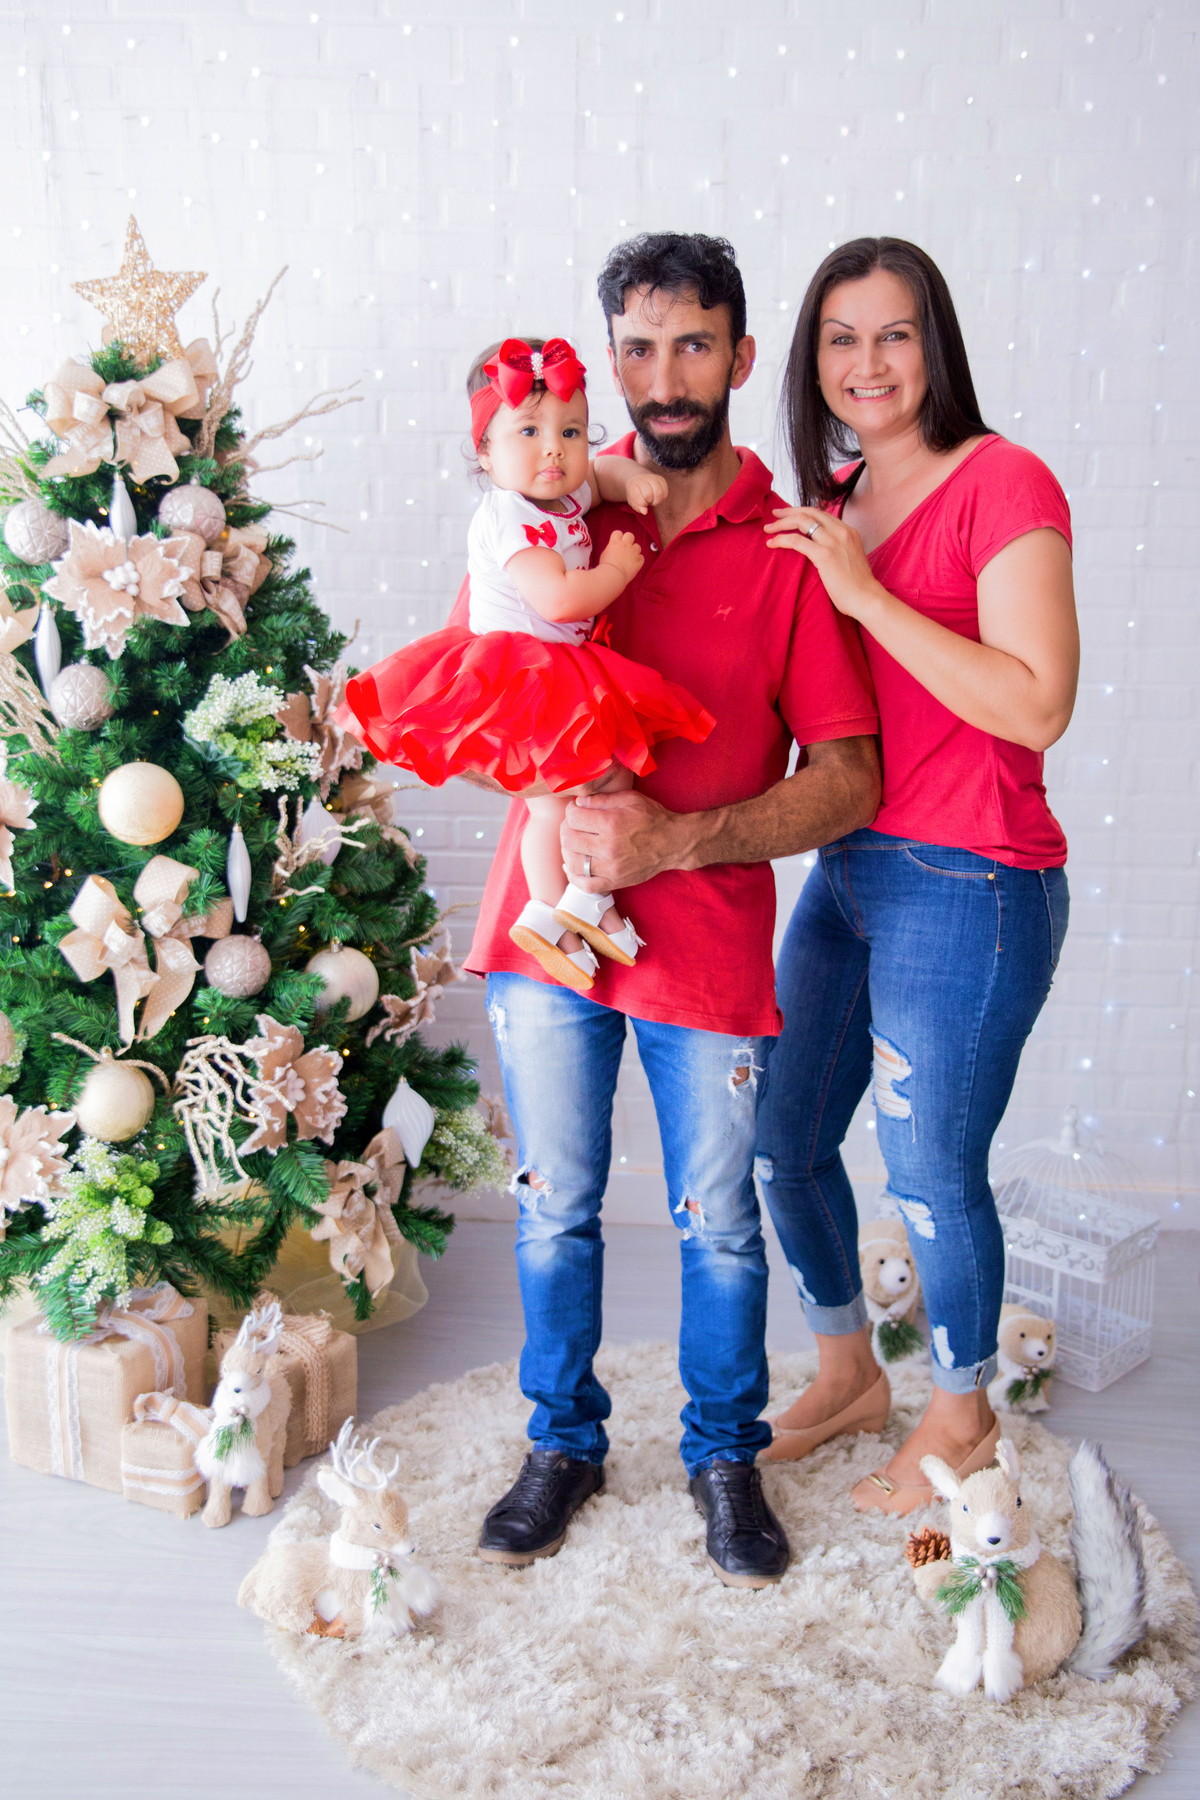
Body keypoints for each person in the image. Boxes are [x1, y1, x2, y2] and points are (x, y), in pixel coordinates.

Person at [457, 233, 881, 1587]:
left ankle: (719, 1455)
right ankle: (563, 1442)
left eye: (693, 343)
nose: (663, 374)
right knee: (553, 1206)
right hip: (546, 930)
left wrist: (679, 835)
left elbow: (851, 781)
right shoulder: (556, 508)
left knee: (720, 1219)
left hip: (704, 942)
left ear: (742, 359)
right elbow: (470, 697)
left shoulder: (789, 548)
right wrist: (534, 783)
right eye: (636, 347)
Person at [752, 236, 1078, 1513]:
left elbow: (1038, 702)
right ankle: (847, 1372)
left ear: (934, 344)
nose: (868, 362)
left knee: (929, 1167)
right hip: (849, 875)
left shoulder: (1006, 482)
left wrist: (871, 597)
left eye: (894, 333)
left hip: (974, 883)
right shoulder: (828, 512)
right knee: (782, 1138)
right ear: (812, 359)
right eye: (841, 337)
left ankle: (963, 1416)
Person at [343, 336, 714, 995]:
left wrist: (635, 479)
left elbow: (602, 473)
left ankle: (579, 900)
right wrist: (617, 569)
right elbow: (558, 596)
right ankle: (553, 918)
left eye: (570, 430)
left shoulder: (565, 489)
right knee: (550, 807)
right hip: (512, 677)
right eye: (529, 431)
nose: (554, 448)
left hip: (559, 668)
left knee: (614, 775)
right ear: (484, 453)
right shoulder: (508, 514)